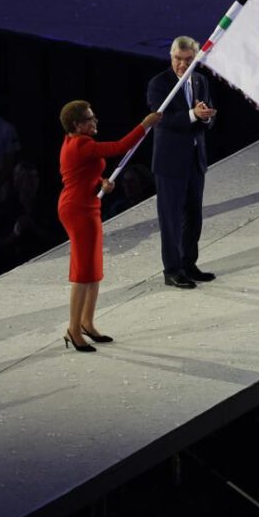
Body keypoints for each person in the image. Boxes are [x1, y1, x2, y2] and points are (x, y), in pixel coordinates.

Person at [57, 100, 161, 351]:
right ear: (77, 124)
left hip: (87, 205)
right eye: (90, 118)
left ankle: (87, 323)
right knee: (82, 273)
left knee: (93, 269)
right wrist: (144, 126)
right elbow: (120, 147)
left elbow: (84, 173)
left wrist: (101, 182)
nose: (95, 121)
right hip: (77, 210)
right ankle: (73, 329)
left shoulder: (77, 142)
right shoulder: (81, 144)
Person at [147, 35, 217, 289]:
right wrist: (192, 115)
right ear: (171, 57)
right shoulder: (159, 84)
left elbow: (208, 114)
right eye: (178, 59)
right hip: (170, 164)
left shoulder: (200, 81)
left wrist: (207, 117)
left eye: (188, 60)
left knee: (193, 216)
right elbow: (162, 119)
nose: (182, 64)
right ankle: (172, 270)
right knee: (171, 219)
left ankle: (189, 263)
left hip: (195, 161)